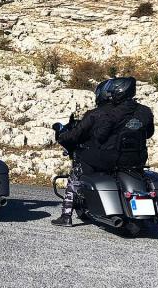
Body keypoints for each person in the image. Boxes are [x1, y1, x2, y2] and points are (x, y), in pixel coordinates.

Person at [50, 79, 114, 226]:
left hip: (96, 157)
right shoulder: (120, 114)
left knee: (74, 178)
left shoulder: (94, 114)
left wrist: (62, 136)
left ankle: (66, 216)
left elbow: (77, 133)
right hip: (117, 157)